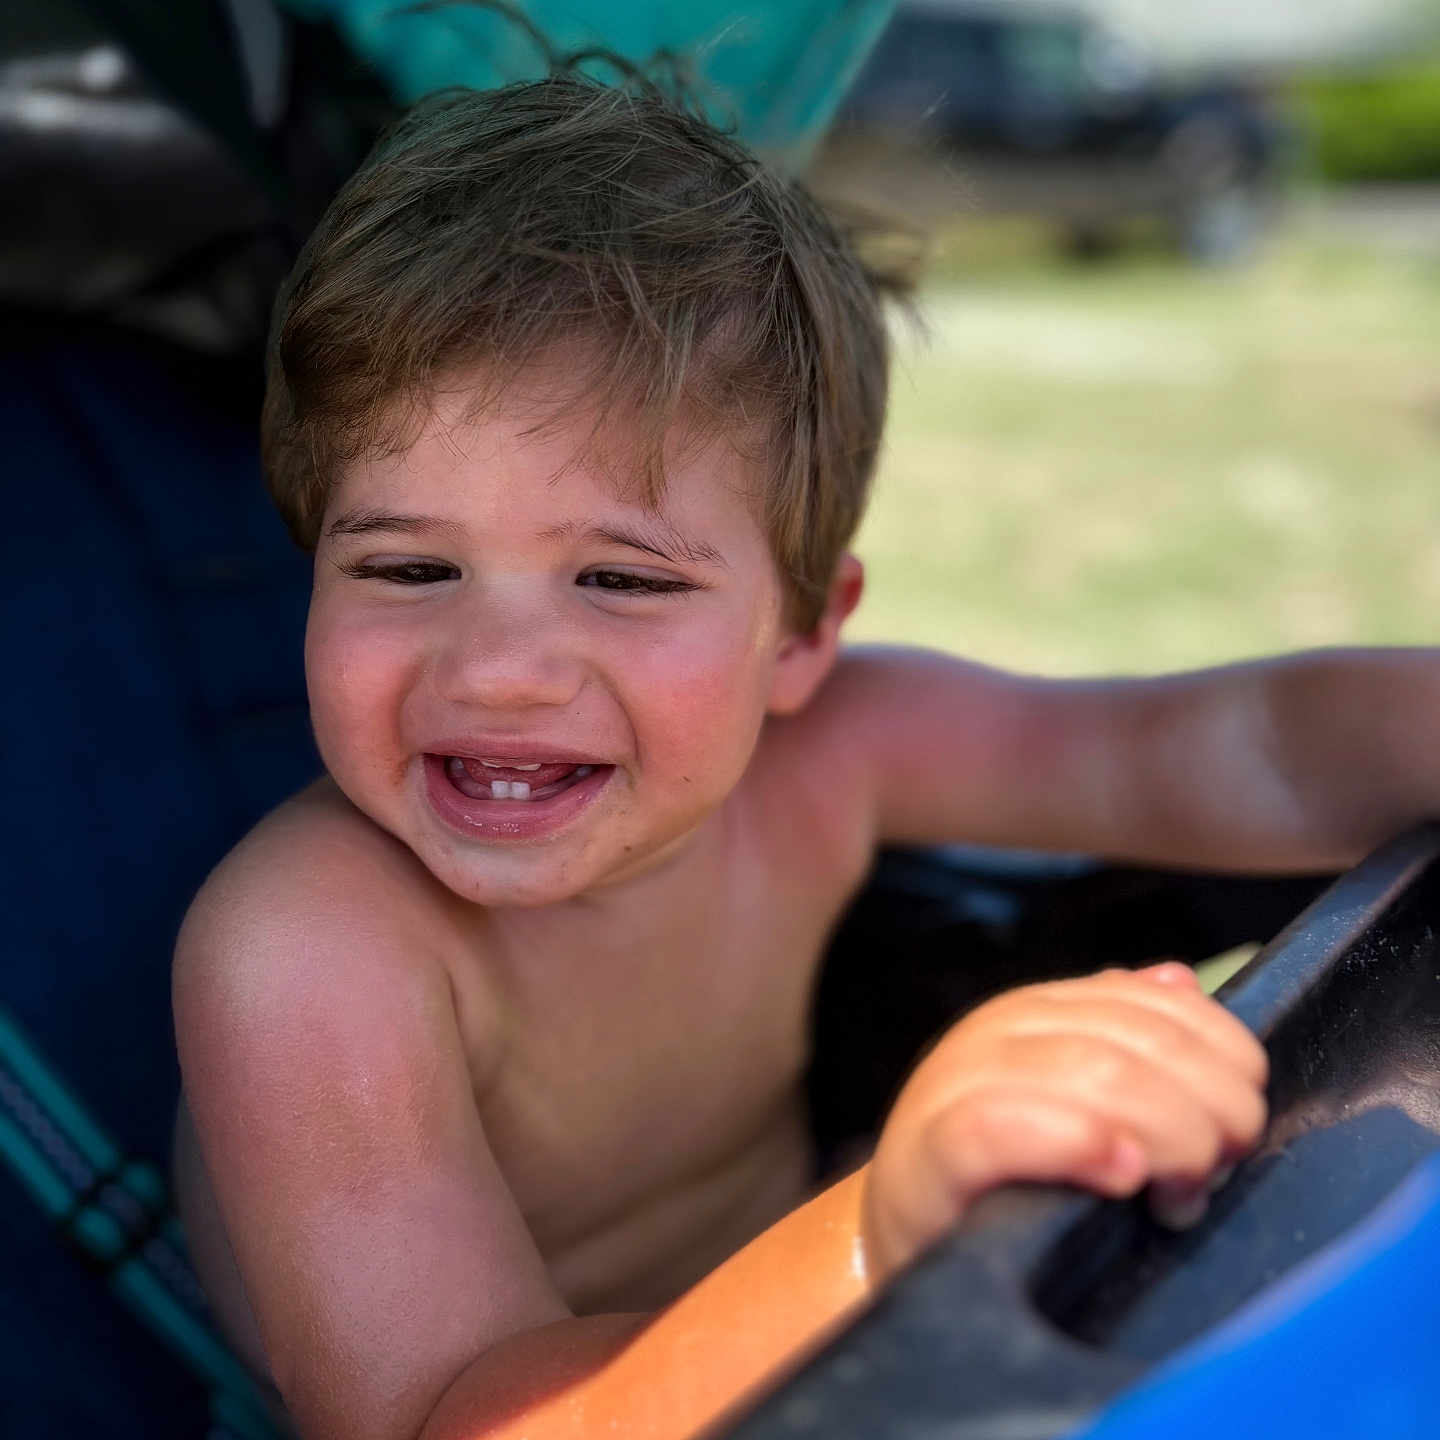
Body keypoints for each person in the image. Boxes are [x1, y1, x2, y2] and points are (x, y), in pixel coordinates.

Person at [171, 73, 1425, 1440]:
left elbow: (1233, 748)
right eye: (409, 568)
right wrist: (878, 1245)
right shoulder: (306, 952)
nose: (497, 669)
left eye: (622, 581)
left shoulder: (832, 755)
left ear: (803, 635)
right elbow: (443, 1415)